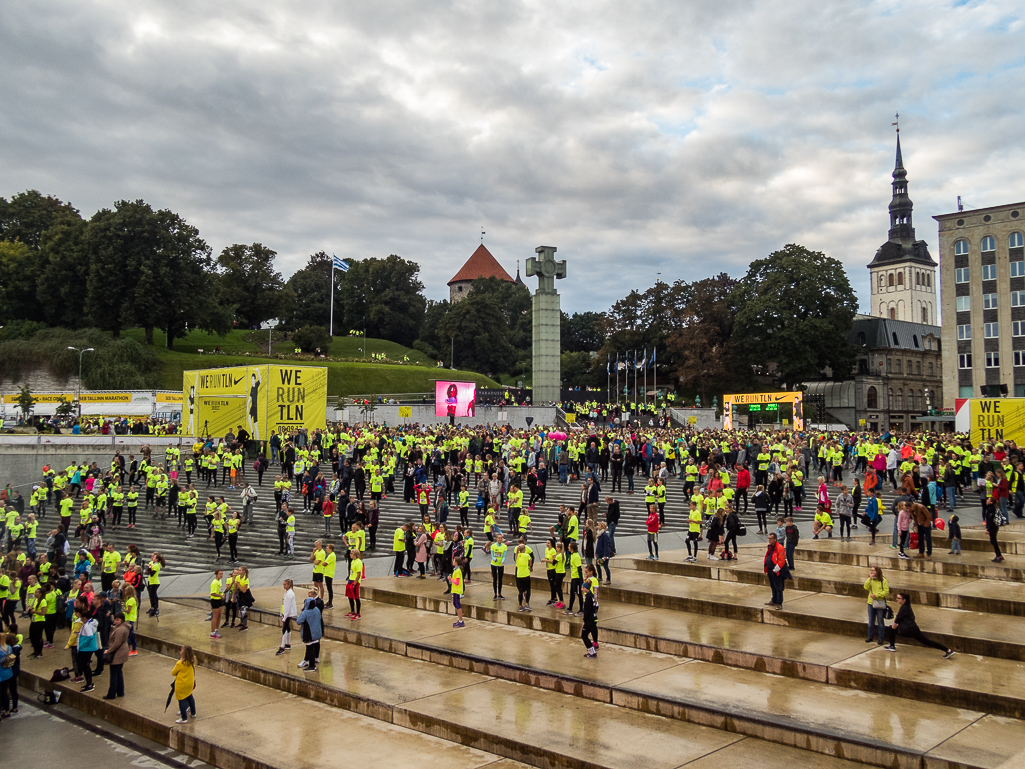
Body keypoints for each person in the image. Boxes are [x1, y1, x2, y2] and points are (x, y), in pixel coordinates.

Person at [885, 592, 955, 658]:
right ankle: (947, 650)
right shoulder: (907, 606)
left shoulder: (904, 608)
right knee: (927, 641)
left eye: (899, 598)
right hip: (913, 628)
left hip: (907, 630)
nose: (897, 599)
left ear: (904, 600)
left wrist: (895, 625)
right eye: (897, 598)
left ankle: (892, 646)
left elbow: (898, 619)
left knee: (891, 628)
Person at [102, 612, 130, 700]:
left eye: (117, 620)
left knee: (114, 674)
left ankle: (112, 693)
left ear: (121, 620)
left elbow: (116, 643)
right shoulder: (125, 627)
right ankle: (120, 691)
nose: (115, 621)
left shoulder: (119, 630)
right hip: (123, 652)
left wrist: (108, 651)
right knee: (119, 672)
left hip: (118, 653)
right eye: (115, 619)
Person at [296, 592, 322, 672]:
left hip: (309, 634)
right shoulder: (317, 610)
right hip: (317, 632)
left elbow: (298, 622)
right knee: (315, 646)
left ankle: (311, 666)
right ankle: (314, 660)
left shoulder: (305, 613)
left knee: (310, 648)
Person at [172, 645, 197, 724]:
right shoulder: (192, 661)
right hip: (189, 683)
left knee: (181, 700)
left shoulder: (180, 663)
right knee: (190, 697)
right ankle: (193, 713)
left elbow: (173, 673)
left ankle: (184, 718)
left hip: (181, 684)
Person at [863, 566, 889, 645]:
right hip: (871, 602)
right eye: (871, 570)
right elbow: (866, 587)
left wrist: (877, 595)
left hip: (879, 602)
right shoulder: (871, 580)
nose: (872, 572)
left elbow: (886, 591)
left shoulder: (883, 580)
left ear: (877, 571)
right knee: (871, 620)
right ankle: (870, 636)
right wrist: (869, 579)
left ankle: (880, 638)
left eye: (873, 570)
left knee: (880, 620)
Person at [763, 533, 787, 609]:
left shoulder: (780, 547)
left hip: (776, 571)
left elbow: (781, 560)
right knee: (773, 586)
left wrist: (776, 569)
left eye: (770, 538)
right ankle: (774, 600)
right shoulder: (770, 547)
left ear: (775, 539)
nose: (769, 540)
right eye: (768, 538)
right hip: (770, 570)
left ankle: (779, 603)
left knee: (778, 587)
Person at [581, 564, 599, 659]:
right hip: (591, 614)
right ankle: (592, 651)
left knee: (584, 636)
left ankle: (592, 650)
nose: (586, 574)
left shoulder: (589, 596)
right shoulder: (589, 595)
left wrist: (585, 619)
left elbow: (587, 610)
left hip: (589, 616)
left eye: (587, 572)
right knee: (588, 632)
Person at [276, 579, 297, 655]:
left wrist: (284, 617)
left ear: (289, 585)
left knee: (284, 630)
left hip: (287, 614)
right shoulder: (288, 593)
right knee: (288, 628)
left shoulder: (289, 594)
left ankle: (282, 647)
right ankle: (287, 644)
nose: (283, 586)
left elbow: (288, 607)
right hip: (286, 614)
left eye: (285, 584)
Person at [486, 533, 507, 601]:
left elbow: (504, 556)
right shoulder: (493, 546)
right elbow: (492, 555)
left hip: (500, 564)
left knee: (500, 579)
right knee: (495, 579)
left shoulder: (504, 546)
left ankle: (499, 593)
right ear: (496, 538)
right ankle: (495, 594)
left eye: (501, 538)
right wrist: (494, 559)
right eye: (499, 538)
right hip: (494, 564)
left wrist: (502, 561)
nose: (500, 539)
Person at [346, 548, 363, 620]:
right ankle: (352, 611)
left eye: (351, 553)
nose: (350, 555)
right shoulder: (353, 561)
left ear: (355, 554)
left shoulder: (358, 562)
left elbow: (358, 574)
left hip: (354, 581)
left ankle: (358, 613)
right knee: (349, 596)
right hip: (350, 579)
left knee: (356, 597)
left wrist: (355, 583)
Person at [451, 556, 466, 628]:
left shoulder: (457, 571)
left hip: (457, 590)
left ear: (456, 562)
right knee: (455, 604)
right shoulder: (456, 570)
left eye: (453, 561)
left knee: (457, 605)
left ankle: (461, 621)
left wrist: (450, 579)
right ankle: (460, 619)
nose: (453, 562)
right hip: (455, 590)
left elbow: (457, 582)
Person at [209, 569, 224, 639]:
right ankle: (212, 632)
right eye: (220, 574)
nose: (221, 575)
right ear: (216, 574)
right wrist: (221, 596)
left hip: (219, 600)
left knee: (219, 615)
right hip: (214, 600)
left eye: (222, 574)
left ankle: (216, 629)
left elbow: (220, 590)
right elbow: (213, 593)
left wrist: (222, 594)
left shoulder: (220, 581)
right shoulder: (214, 582)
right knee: (215, 616)